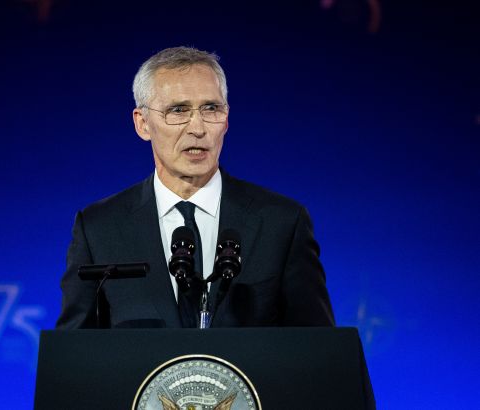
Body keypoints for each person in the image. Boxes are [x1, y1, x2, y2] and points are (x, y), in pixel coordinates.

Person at [55, 46, 335, 329]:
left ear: (226, 119)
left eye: (211, 108)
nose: (198, 128)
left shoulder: (282, 223)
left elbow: (318, 346)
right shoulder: (99, 229)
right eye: (178, 110)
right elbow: (75, 350)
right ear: (143, 124)